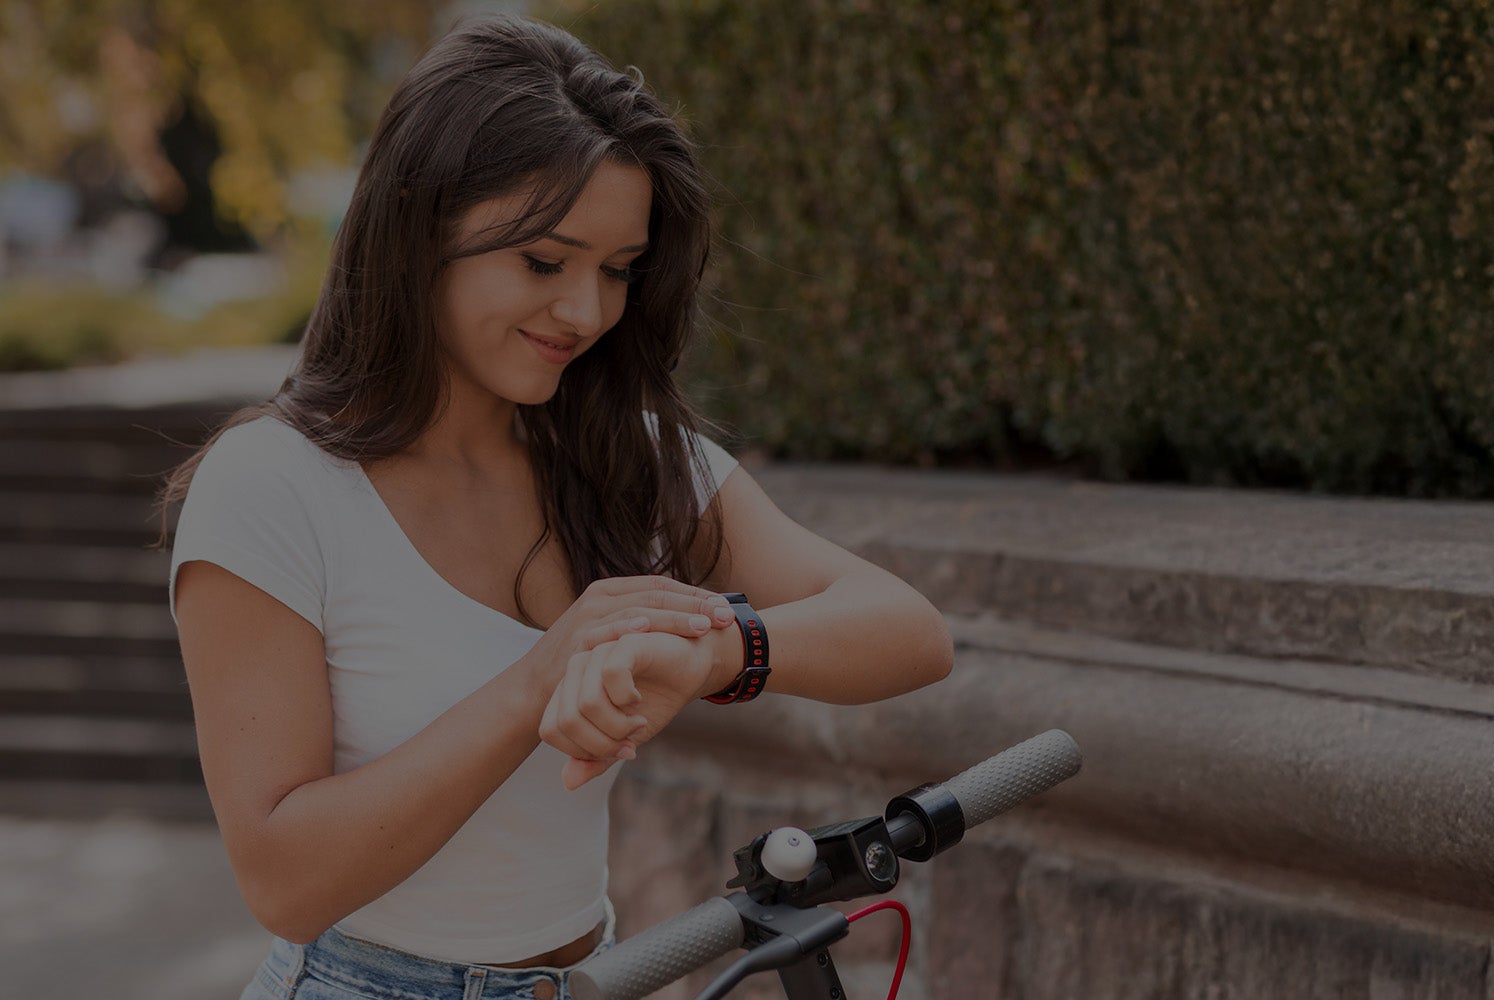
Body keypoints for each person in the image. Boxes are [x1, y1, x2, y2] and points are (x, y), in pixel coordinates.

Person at [161, 14, 953, 999]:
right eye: (544, 261)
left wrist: (715, 652)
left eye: (618, 269)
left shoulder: (621, 456)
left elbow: (910, 632)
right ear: (419, 232)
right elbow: (284, 880)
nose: (585, 311)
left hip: (594, 975)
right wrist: (537, 681)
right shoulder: (271, 487)